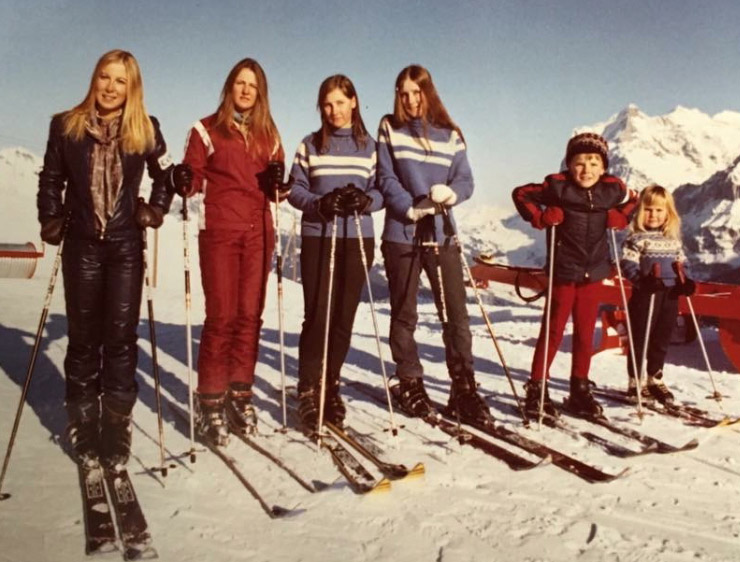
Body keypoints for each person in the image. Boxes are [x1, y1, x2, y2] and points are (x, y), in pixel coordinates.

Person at [37, 49, 191, 469]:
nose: (110, 87)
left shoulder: (145, 128)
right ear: (94, 79)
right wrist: (50, 216)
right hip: (83, 244)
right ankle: (83, 422)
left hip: (124, 245)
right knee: (84, 337)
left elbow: (168, 175)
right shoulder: (66, 126)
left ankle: (116, 425)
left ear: (132, 87)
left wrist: (155, 209)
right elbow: (51, 177)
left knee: (120, 339)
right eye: (105, 77)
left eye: (120, 81)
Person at [376, 64, 490, 424]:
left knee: (455, 313)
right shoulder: (389, 129)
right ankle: (409, 379)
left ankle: (463, 386)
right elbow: (385, 175)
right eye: (403, 93)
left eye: (416, 92)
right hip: (403, 231)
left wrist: (451, 194)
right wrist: (408, 207)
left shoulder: (450, 135)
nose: (410, 100)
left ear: (428, 92)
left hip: (442, 232)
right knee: (404, 313)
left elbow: (466, 180)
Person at [182, 58, 285, 444]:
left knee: (249, 316)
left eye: (252, 85)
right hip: (221, 231)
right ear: (230, 87)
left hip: (259, 231)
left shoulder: (269, 134)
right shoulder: (206, 129)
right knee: (222, 316)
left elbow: (280, 187)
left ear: (260, 93)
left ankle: (240, 394)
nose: (245, 90)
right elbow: (193, 177)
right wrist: (184, 178)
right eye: (240, 83)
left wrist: (280, 182)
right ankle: (210, 399)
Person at [512, 132, 637, 419]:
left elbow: (635, 199)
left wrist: (622, 217)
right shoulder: (557, 186)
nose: (587, 169)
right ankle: (537, 388)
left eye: (594, 162)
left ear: (603, 167)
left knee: (584, 332)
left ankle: (579, 388)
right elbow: (521, 193)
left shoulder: (612, 188)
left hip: (593, 273)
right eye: (579, 162)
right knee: (554, 330)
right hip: (564, 271)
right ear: (569, 165)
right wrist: (540, 217)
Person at [286, 75, 383, 431]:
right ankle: (309, 388)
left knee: (343, 317)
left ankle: (331, 384)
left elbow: (381, 190)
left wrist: (366, 200)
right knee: (319, 314)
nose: (334, 110)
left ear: (354, 102)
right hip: (319, 235)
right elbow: (294, 189)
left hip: (357, 237)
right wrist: (319, 202)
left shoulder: (371, 147)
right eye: (327, 104)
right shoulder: (310, 144)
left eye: (341, 102)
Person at [620, 184, 694, 404]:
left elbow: (683, 263)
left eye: (659, 210)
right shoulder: (636, 239)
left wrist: (686, 281)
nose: (653, 215)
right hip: (646, 294)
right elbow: (627, 264)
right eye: (648, 209)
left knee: (662, 335)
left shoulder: (672, 241)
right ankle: (635, 381)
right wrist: (641, 280)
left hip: (670, 293)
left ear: (668, 214)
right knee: (641, 337)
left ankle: (655, 377)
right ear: (639, 212)